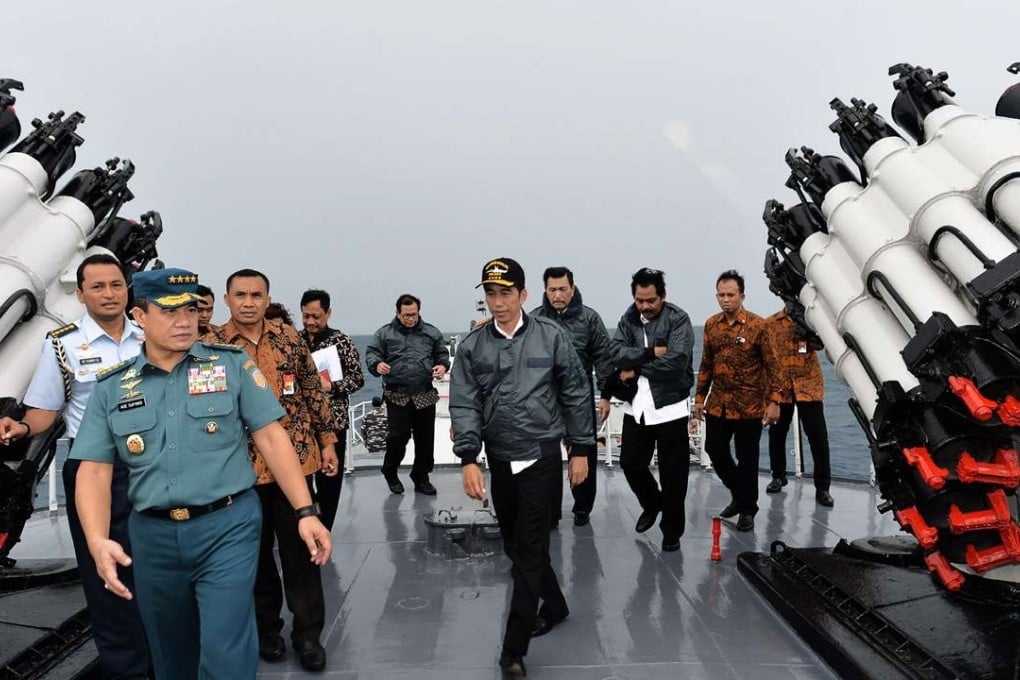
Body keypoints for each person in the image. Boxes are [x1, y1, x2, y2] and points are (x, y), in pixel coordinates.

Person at [69, 268, 332, 679]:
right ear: (140, 316)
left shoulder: (231, 365)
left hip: (227, 526)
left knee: (225, 650)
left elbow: (271, 436)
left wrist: (305, 511)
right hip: (152, 538)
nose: (184, 322)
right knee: (172, 654)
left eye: (190, 311)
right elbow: (94, 470)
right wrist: (97, 540)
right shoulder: (113, 387)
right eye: (169, 312)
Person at [0, 253, 151, 679]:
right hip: (95, 473)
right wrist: (21, 426)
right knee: (107, 575)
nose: (109, 294)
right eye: (97, 287)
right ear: (81, 294)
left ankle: (166, 660)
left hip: (155, 468)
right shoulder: (63, 345)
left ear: (127, 289)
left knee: (161, 568)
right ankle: (128, 670)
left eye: (116, 285)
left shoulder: (151, 337)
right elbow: (45, 411)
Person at [451, 257, 594, 677]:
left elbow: (575, 391)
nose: (498, 302)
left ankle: (513, 649)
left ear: (523, 295)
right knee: (515, 546)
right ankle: (557, 604)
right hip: (500, 457)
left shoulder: (551, 336)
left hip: (541, 455)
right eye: (491, 294)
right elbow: (465, 403)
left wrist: (581, 448)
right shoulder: (473, 347)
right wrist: (468, 458)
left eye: (506, 293)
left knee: (529, 551)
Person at [204, 268, 338, 671]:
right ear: (227, 299)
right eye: (240, 295)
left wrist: (327, 441)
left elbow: (313, 391)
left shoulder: (290, 339)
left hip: (295, 464)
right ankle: (266, 630)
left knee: (302, 551)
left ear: (267, 298)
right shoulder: (210, 346)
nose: (248, 302)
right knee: (254, 555)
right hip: (240, 469)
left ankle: (308, 635)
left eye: (256, 295)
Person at [607, 267, 694, 552]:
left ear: (663, 296)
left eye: (650, 300)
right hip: (637, 408)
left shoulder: (678, 319)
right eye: (639, 300)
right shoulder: (628, 318)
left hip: (670, 408)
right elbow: (615, 352)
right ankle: (652, 502)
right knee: (630, 463)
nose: (644, 306)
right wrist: (648, 355)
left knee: (674, 475)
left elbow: (677, 362)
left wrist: (635, 369)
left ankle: (672, 531)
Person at [693, 270, 784, 532]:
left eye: (731, 295)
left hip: (749, 406)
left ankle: (747, 509)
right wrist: (699, 398)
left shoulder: (759, 326)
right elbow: (706, 363)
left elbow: (774, 365)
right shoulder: (711, 325)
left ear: (742, 296)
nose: (726, 299)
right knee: (714, 449)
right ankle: (739, 494)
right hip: (718, 404)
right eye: (721, 295)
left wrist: (774, 401)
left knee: (747, 459)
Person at [531, 266, 614, 527]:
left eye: (562, 289)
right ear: (545, 290)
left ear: (572, 288)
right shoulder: (534, 320)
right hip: (544, 398)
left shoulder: (589, 319)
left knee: (583, 450)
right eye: (552, 289)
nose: (557, 295)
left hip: (578, 397)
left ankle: (582, 507)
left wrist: (605, 394)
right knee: (545, 457)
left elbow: (603, 358)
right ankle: (550, 511)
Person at [365, 293, 450, 495]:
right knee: (398, 437)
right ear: (397, 313)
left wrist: (442, 365)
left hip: (424, 393)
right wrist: (377, 364)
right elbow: (372, 354)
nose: (410, 319)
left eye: (414, 314)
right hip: (397, 395)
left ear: (419, 312)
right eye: (406, 315)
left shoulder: (431, 332)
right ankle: (390, 471)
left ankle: (421, 476)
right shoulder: (384, 334)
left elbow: (441, 354)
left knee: (425, 439)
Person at [300, 288, 366, 530]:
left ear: (328, 313)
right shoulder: (296, 340)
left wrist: (332, 386)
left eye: (316, 316)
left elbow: (357, 379)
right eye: (306, 316)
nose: (310, 321)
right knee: (302, 479)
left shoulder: (341, 341)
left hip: (333, 421)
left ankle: (324, 528)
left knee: (329, 480)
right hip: (303, 423)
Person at [765, 305, 834, 506]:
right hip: (781, 388)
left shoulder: (812, 320)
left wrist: (810, 331)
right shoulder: (771, 324)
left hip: (808, 387)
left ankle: (823, 488)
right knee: (777, 434)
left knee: (818, 437)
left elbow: (822, 345)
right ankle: (778, 476)